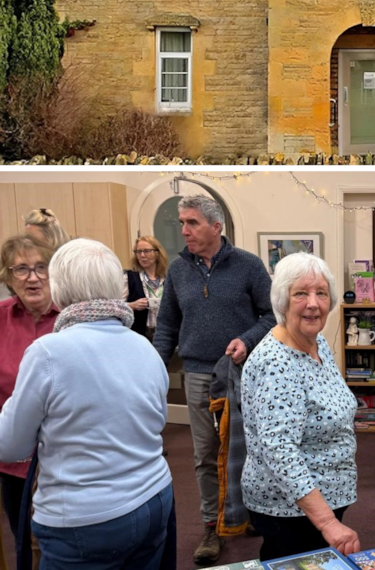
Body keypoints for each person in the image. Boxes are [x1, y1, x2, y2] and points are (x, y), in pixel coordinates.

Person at [0, 238, 174, 570]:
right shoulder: (144, 348)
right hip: (155, 498)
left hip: (86, 517)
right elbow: (157, 420)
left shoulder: (48, 352)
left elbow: (10, 445)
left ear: (60, 288)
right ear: (117, 288)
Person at [153, 195, 273, 566]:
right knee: (206, 454)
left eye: (191, 223)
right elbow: (168, 325)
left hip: (243, 375)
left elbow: (272, 317)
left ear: (215, 227)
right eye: (182, 223)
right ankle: (212, 525)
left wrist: (247, 339)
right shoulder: (177, 270)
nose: (184, 231)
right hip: (198, 375)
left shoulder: (249, 266)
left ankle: (248, 512)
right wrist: (154, 369)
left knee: (250, 450)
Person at [241, 252, 360, 561]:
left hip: (320, 499)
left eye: (321, 293)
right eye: (301, 293)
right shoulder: (276, 362)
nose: (313, 303)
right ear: (282, 301)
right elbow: (280, 450)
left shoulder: (316, 342)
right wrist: (328, 523)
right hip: (290, 509)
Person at [0, 234, 58, 542]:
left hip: (66, 458)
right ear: (8, 277)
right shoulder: (0, 318)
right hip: (13, 462)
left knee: (65, 546)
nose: (33, 277)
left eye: (41, 267)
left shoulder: (72, 319)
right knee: (23, 539)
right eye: (21, 269)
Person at [126, 236, 168, 340]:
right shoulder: (129, 278)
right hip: (139, 335)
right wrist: (132, 305)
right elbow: (115, 306)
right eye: (138, 252)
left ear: (157, 253)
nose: (142, 255)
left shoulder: (167, 280)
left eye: (147, 251)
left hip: (164, 334)